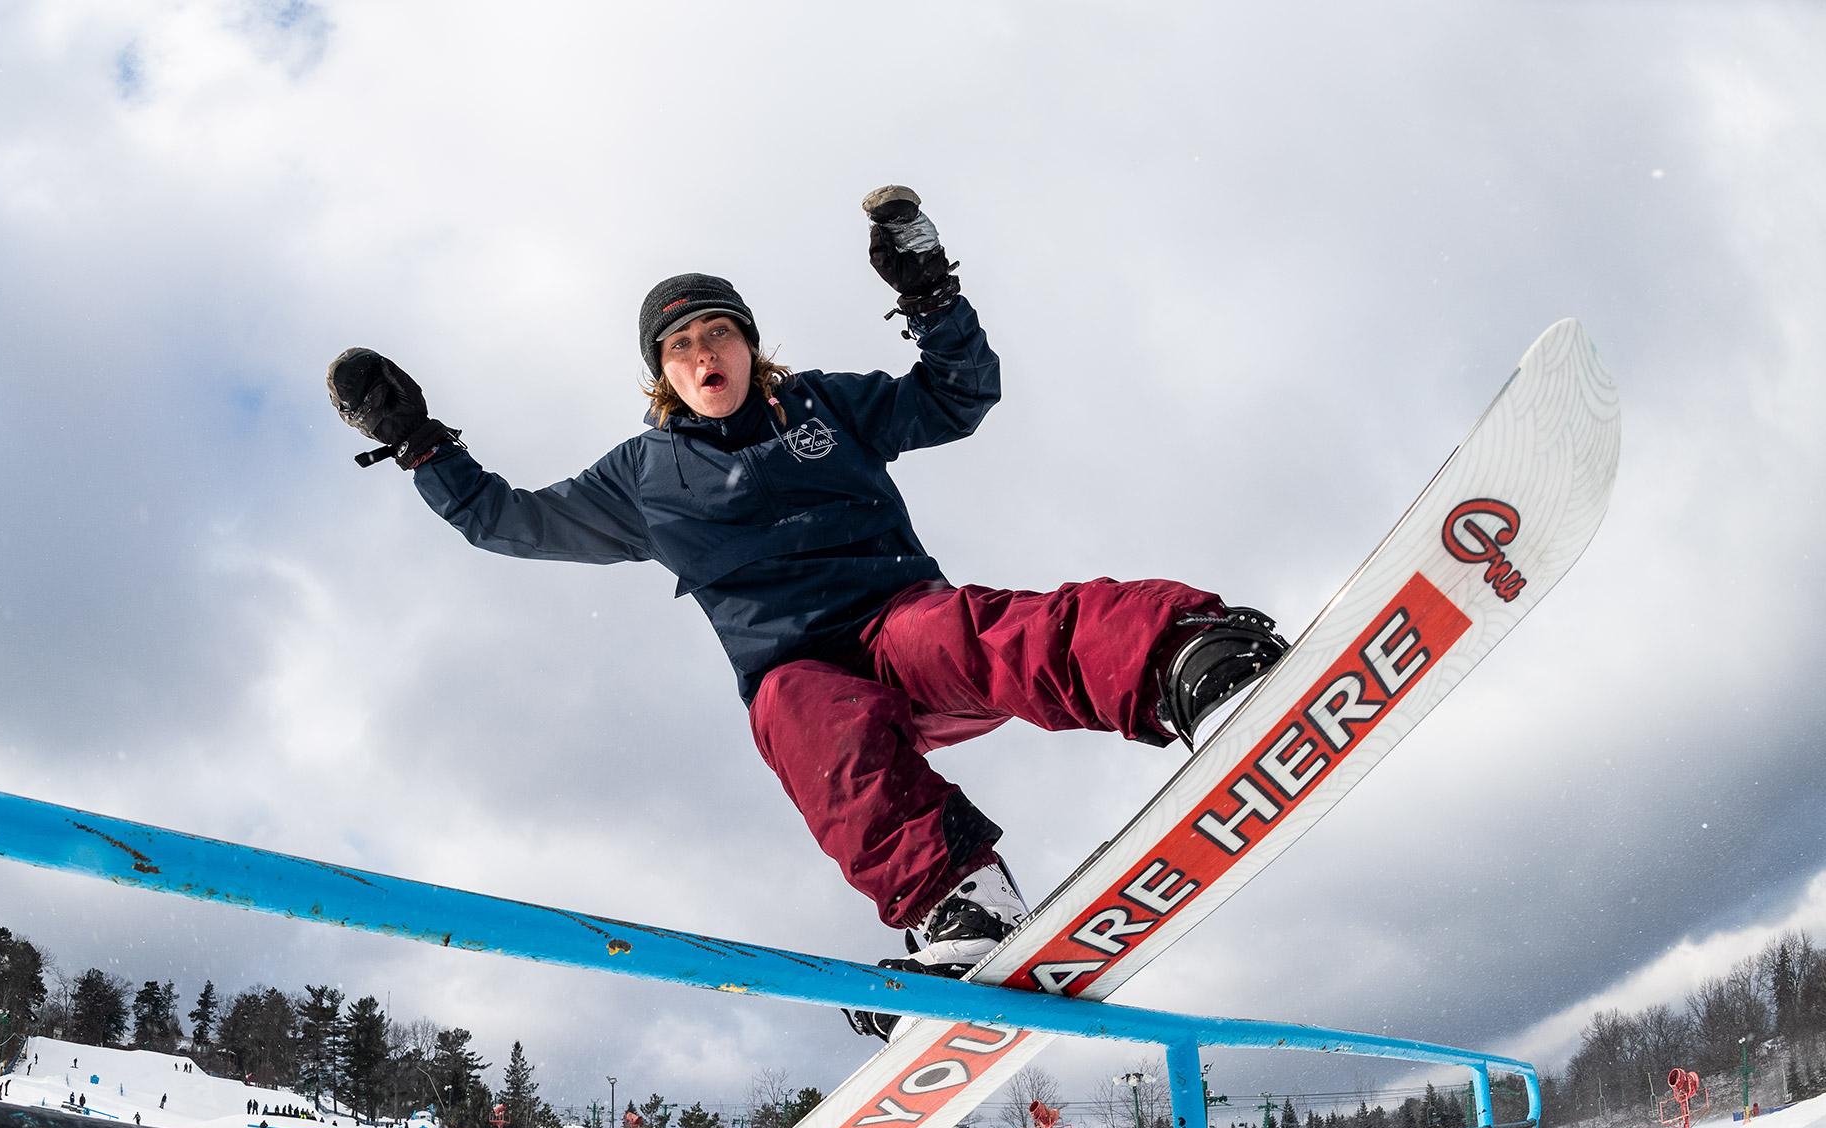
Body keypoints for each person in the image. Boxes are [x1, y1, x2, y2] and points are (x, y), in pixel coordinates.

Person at [327, 187, 1285, 1036]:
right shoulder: (642, 478)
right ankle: (960, 902)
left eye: (721, 334)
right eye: (684, 346)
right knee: (794, 712)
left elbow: (958, 397)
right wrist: (418, 443)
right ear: (663, 372)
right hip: (807, 678)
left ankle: (1188, 664)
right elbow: (505, 519)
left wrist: (931, 294)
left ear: (750, 345)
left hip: (899, 628)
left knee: (972, 630)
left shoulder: (824, 406)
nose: (708, 355)